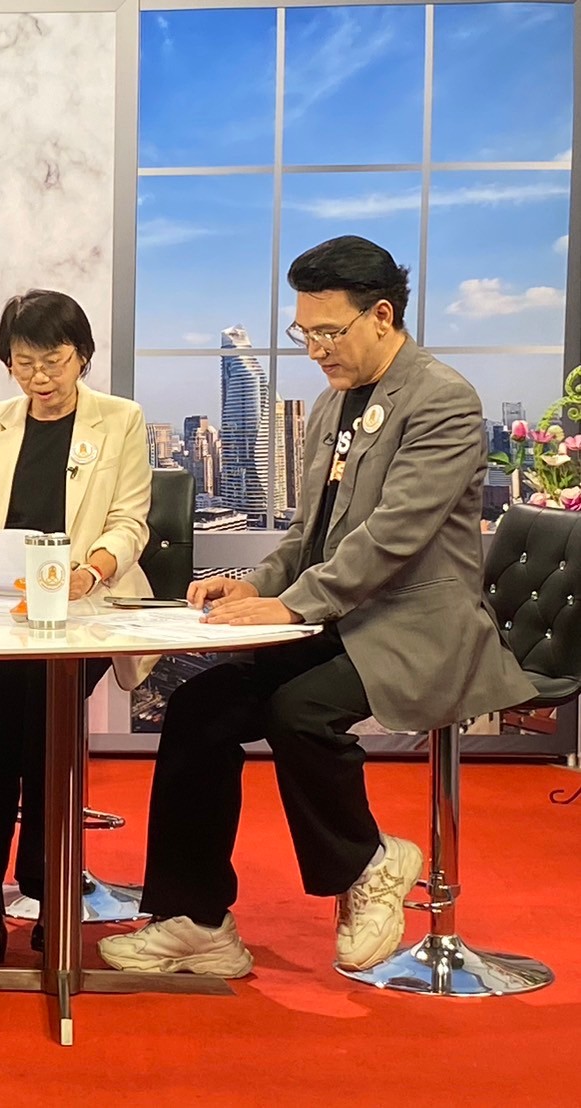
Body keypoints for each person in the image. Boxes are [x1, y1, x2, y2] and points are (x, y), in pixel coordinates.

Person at [99, 236, 535, 978]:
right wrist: (258, 585)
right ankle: (195, 920)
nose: (314, 350)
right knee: (199, 707)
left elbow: (394, 535)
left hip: (419, 624)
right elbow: (309, 532)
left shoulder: (443, 401)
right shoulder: (331, 405)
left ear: (382, 315)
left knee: (297, 710)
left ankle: (368, 862)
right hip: (339, 617)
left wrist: (293, 605)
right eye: (304, 332)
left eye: (328, 332)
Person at [0, 289, 156, 966]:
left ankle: (46, 892)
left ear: (82, 355)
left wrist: (90, 571)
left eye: (52, 361)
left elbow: (129, 521)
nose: (38, 378)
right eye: (23, 363)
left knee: (45, 749)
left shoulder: (119, 420)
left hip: (77, 611)